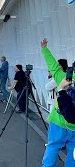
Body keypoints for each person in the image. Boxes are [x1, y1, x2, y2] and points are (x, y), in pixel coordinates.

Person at [40, 38, 75, 167]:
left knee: (53, 147)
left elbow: (53, 66)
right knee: (73, 152)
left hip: (58, 121)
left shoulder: (64, 78)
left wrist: (44, 49)